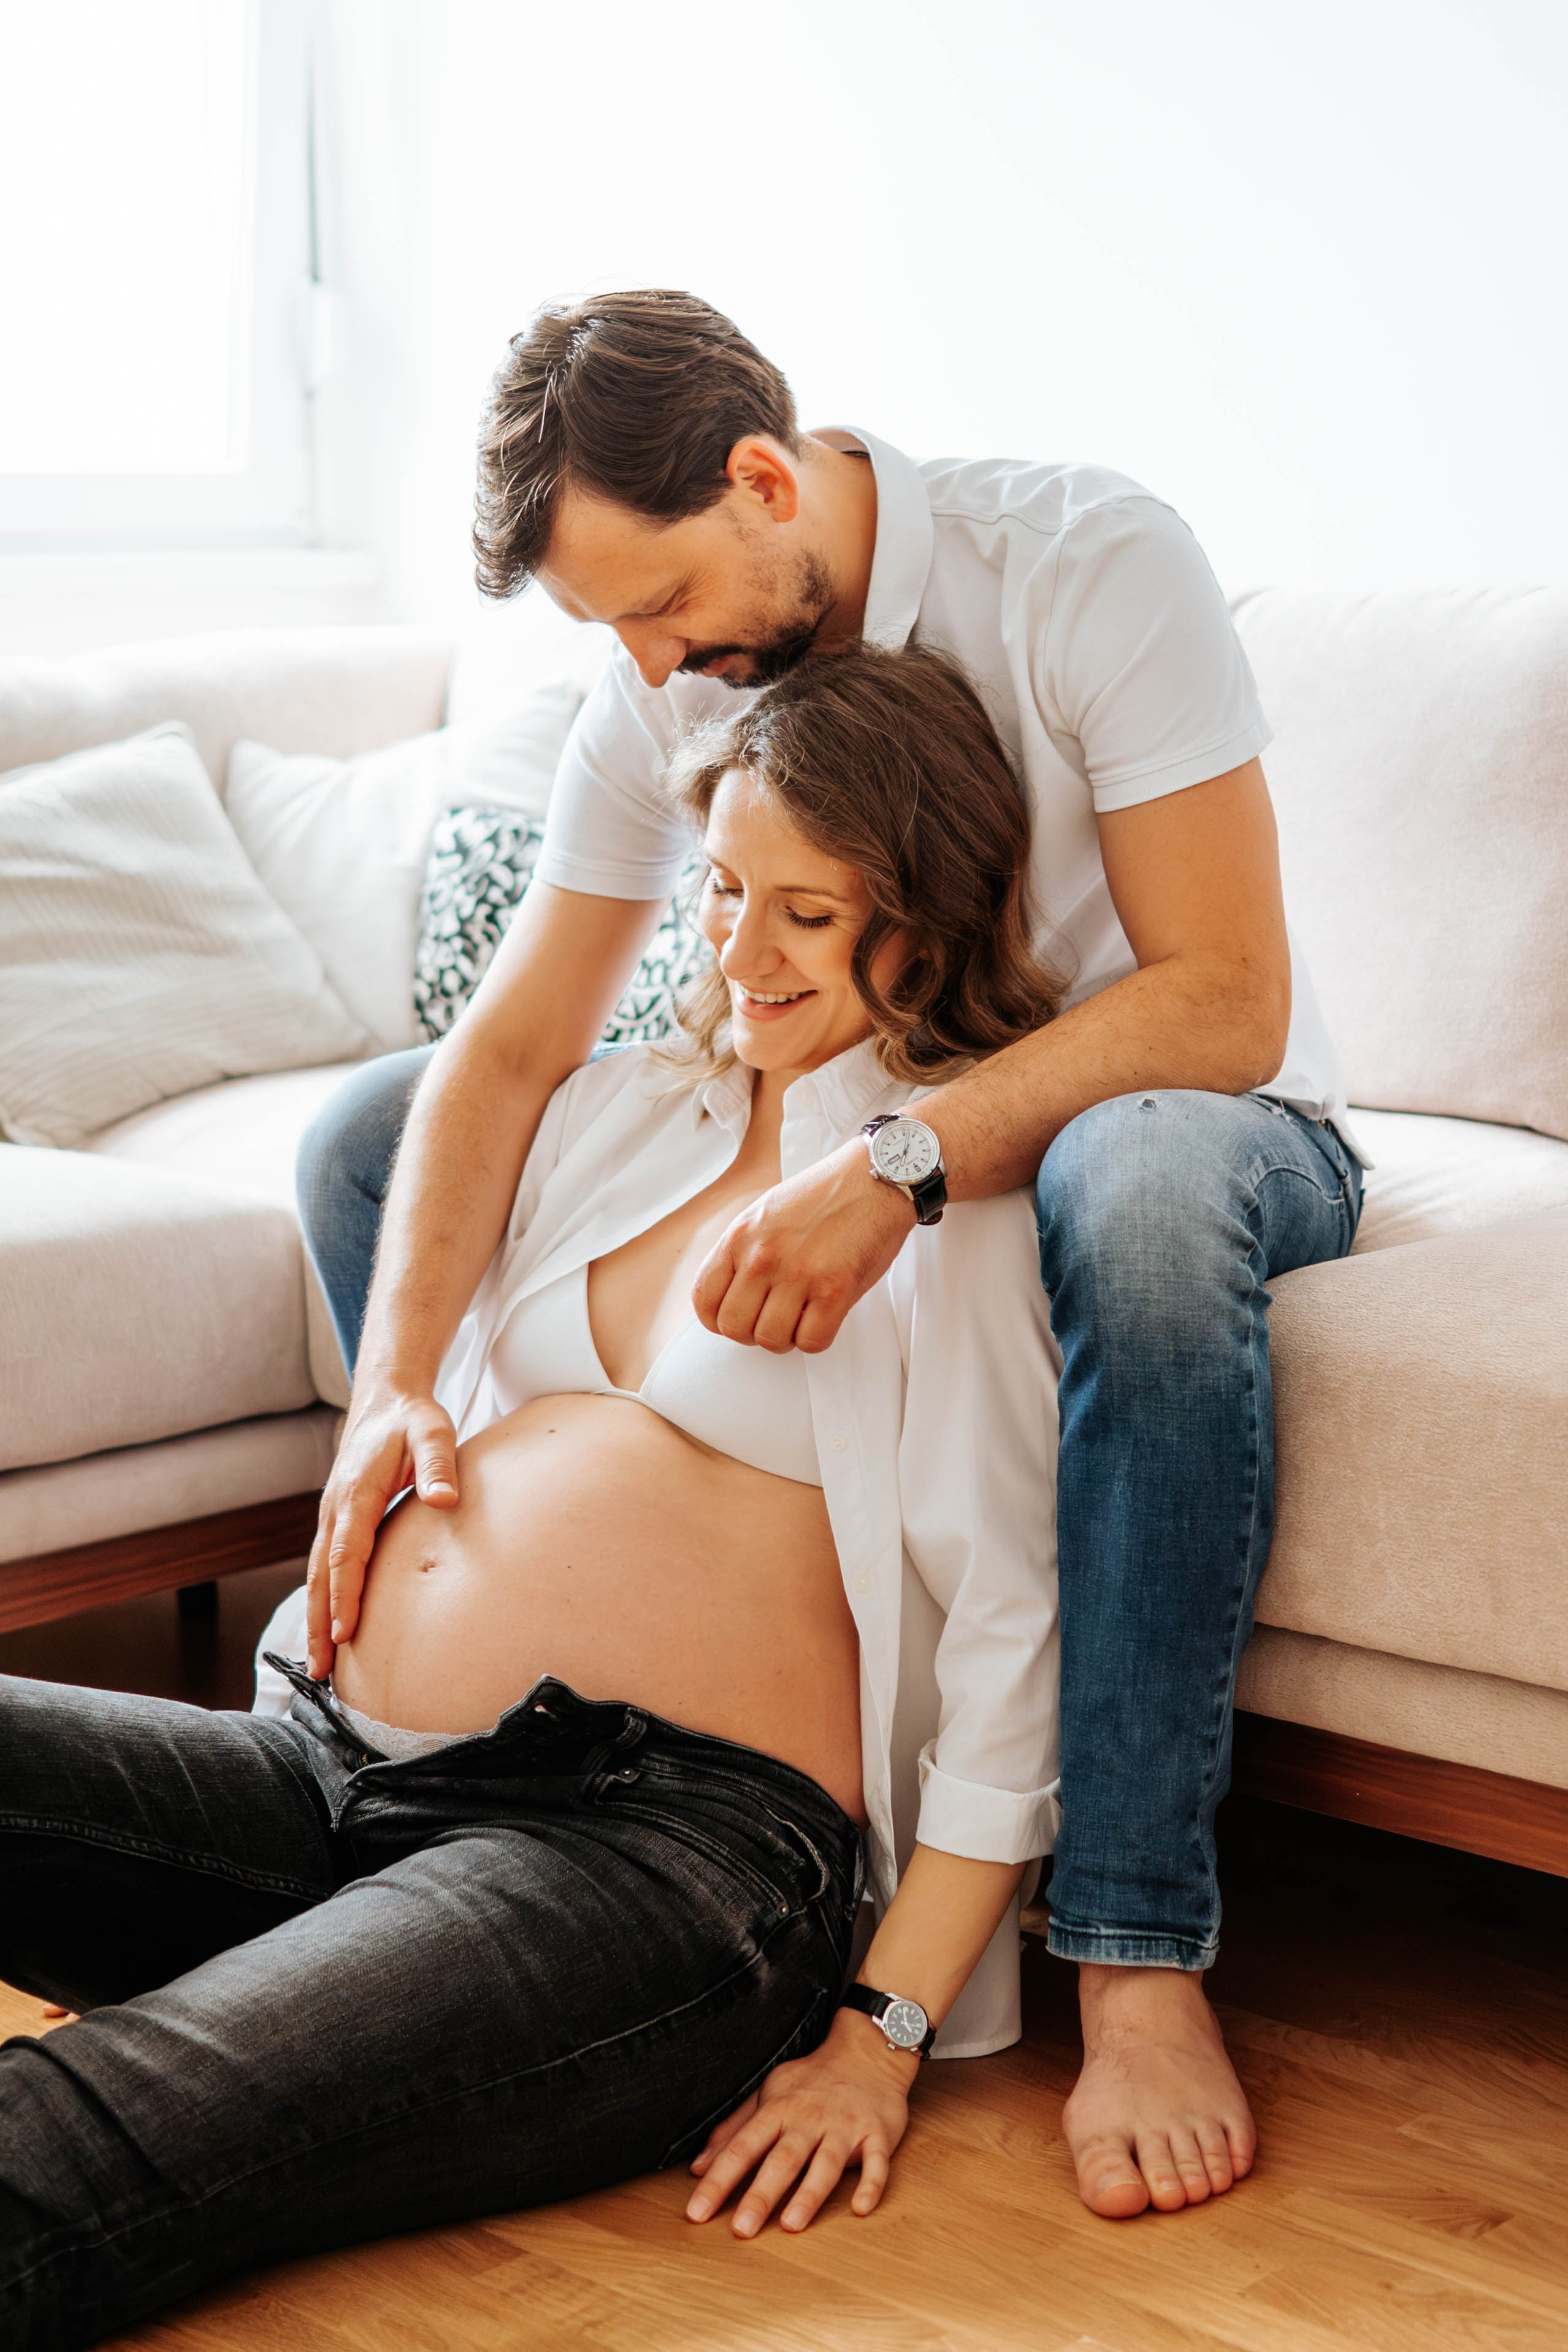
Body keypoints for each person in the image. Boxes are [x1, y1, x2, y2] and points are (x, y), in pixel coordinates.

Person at [298, 290, 1364, 2218]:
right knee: (369, 1132)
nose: (644, 663)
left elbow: (1230, 998)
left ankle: (1133, 1958)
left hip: (1190, 1116)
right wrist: (386, 1388)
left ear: (767, 478)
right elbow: (516, 1043)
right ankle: (588, 1703)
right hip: (913, 1111)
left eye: (659, 602)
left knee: (1119, 1184)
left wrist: (898, 1157)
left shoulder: (1088, 567)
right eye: (606, 632)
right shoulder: (671, 683)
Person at [0, 644, 1065, 2351]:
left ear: (921, 926)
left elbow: (1023, 1630)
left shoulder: (948, 1202)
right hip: (322, 1767)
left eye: (806, 910)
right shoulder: (626, 1110)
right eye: (723, 891)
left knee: (97, 2115)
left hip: (653, 1854)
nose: (737, 947)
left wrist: (882, 2030)